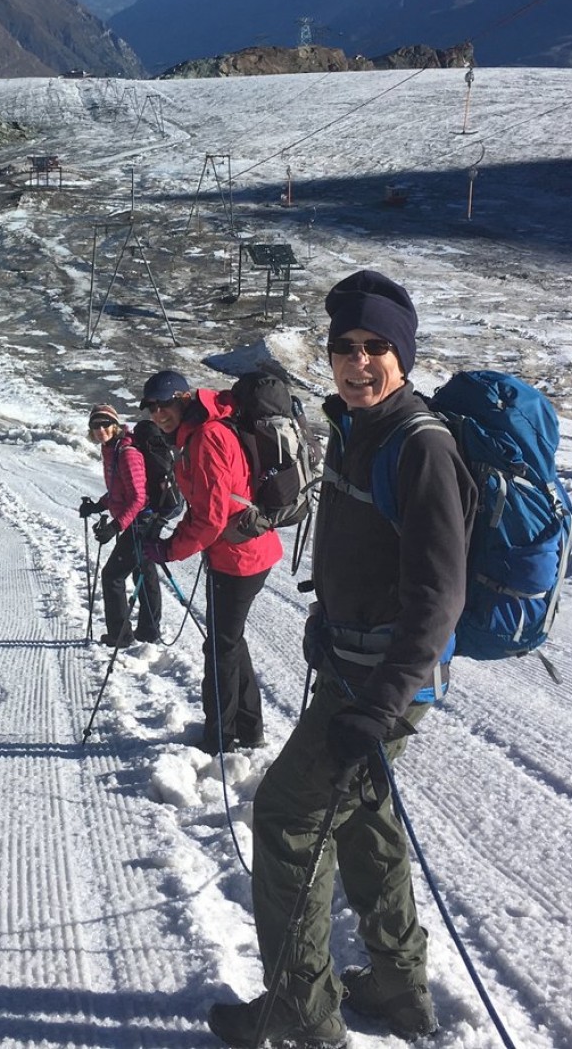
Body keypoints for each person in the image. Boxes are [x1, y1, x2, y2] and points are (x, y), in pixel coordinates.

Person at [207, 270, 475, 1049]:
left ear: (405, 354)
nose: (357, 362)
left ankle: (300, 1008)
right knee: (364, 819)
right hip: (358, 666)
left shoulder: (421, 445)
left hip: (382, 681)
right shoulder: (363, 430)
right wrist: (328, 615)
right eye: (344, 347)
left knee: (290, 814)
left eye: (375, 347)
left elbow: (440, 593)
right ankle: (395, 985)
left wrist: (383, 699)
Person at [134, 369, 282, 755]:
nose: (157, 414)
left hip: (239, 556)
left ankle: (221, 738)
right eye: (151, 408)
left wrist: (169, 550)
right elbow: (207, 505)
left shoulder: (207, 437)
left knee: (220, 649)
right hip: (241, 550)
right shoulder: (199, 432)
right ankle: (248, 729)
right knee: (229, 642)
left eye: (163, 404)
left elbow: (213, 516)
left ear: (183, 399)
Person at [76, 404, 164, 647]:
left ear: (115, 425)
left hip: (141, 521)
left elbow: (138, 497)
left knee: (112, 575)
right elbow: (118, 491)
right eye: (96, 425)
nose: (100, 429)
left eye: (105, 424)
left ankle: (120, 636)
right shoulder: (111, 449)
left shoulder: (127, 453)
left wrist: (115, 527)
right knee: (143, 573)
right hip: (139, 520)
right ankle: (149, 630)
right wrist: (98, 506)